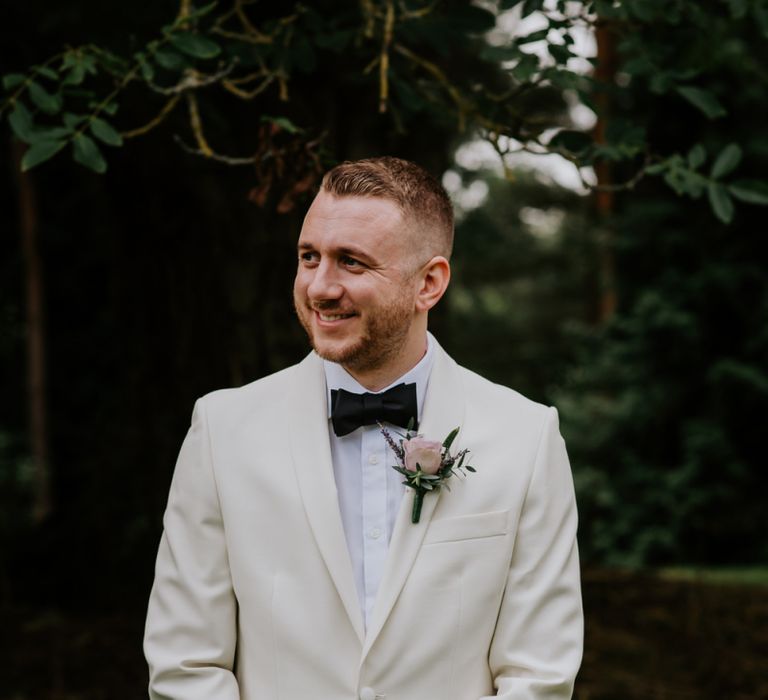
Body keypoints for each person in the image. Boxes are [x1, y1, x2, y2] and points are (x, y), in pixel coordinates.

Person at [144, 156, 583, 699]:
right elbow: (185, 664)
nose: (321, 287)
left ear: (429, 283)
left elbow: (539, 675)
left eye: (351, 263)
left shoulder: (527, 437)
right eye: (309, 257)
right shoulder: (221, 430)